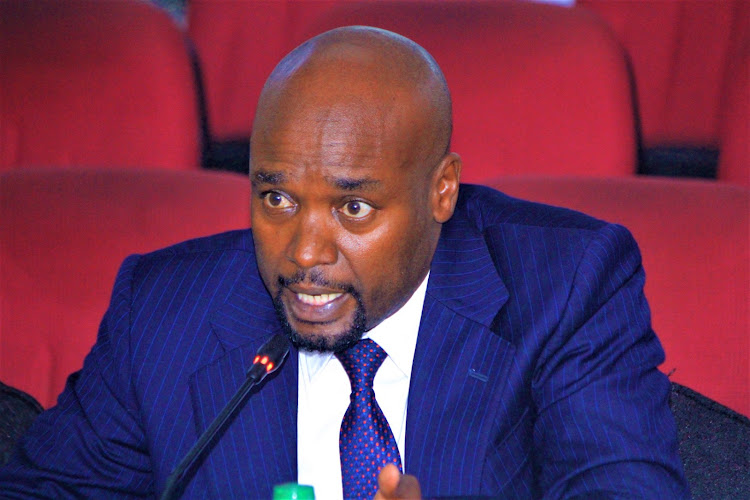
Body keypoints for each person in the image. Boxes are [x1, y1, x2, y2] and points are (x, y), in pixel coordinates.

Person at [0, 26, 688, 498]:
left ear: (441, 191)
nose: (303, 252)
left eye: (353, 209)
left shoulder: (567, 284)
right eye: (275, 197)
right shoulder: (161, 311)